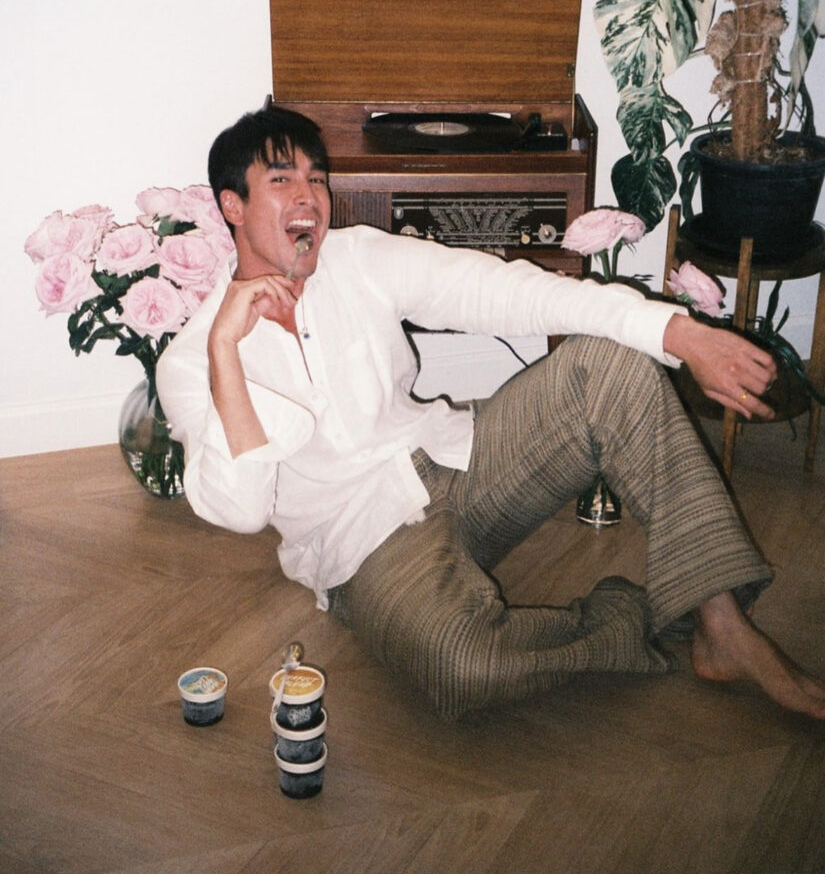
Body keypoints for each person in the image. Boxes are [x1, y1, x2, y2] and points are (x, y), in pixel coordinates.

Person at [157, 105, 825, 721]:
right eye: (281, 179)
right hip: (363, 544)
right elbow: (242, 510)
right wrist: (225, 348)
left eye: (317, 178)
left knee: (608, 366)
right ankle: (632, 619)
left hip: (462, 463)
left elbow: (501, 290)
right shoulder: (191, 361)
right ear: (232, 205)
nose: (308, 196)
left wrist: (678, 332)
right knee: (463, 667)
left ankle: (722, 625)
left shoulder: (357, 258)